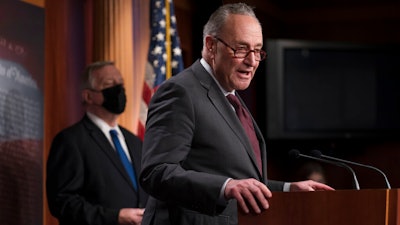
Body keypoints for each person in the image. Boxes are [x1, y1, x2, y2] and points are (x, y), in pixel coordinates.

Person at [139, 3, 334, 225]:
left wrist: (288, 189)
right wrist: (225, 187)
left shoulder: (231, 97)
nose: (252, 61)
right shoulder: (181, 92)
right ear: (211, 45)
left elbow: (240, 182)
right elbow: (156, 172)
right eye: (241, 49)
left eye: (257, 51)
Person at [46, 61, 148, 225]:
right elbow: (62, 202)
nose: (119, 89)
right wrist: (115, 217)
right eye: (109, 84)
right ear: (88, 96)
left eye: (120, 83)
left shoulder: (136, 143)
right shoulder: (71, 141)